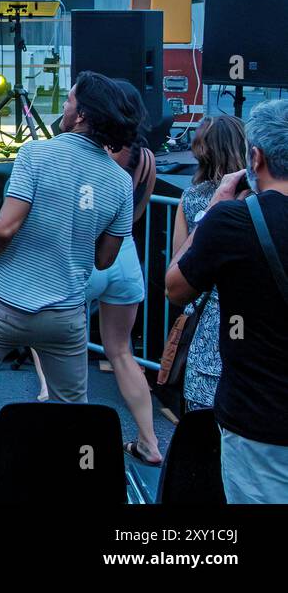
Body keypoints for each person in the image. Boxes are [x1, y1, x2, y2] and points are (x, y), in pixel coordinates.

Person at [0, 72, 139, 416]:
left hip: (1, 308)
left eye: (69, 101)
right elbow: (104, 259)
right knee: (72, 417)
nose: (65, 106)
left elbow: (5, 228)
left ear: (82, 115)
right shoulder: (119, 182)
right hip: (64, 317)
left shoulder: (35, 154)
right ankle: (74, 470)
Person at [167, 99, 288, 503]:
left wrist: (215, 207)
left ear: (255, 158)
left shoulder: (232, 220)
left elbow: (175, 287)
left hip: (259, 421)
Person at [82, 81, 161, 464]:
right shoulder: (146, 157)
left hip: (88, 256)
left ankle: (51, 406)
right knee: (121, 352)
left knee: (55, 341)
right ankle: (150, 441)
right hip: (125, 258)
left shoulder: (99, 155)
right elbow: (133, 215)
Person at [175, 115, 246, 411]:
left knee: (203, 424)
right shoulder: (256, 199)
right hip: (248, 322)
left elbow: (178, 261)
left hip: (204, 324)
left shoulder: (191, 198)